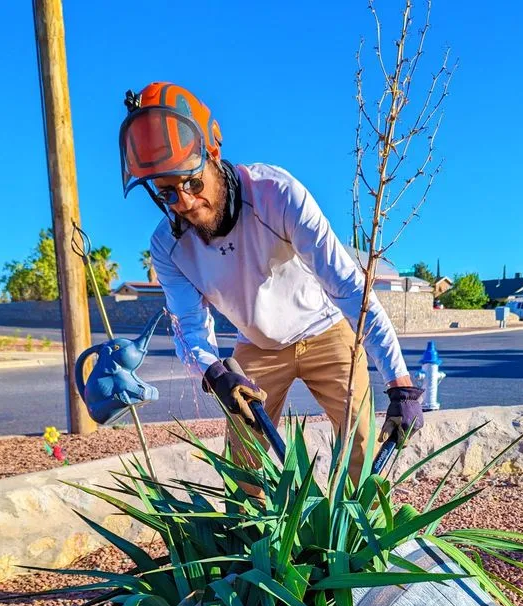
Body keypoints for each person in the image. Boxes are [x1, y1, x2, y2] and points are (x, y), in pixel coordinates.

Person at [119, 82, 423, 484]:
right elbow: (189, 328)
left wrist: (400, 384)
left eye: (192, 182)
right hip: (257, 346)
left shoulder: (276, 195)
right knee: (244, 461)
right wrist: (214, 372)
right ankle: (256, 523)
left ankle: (360, 523)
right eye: (168, 194)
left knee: (361, 445)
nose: (186, 202)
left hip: (326, 328)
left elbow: (350, 289)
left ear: (213, 155)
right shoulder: (168, 247)